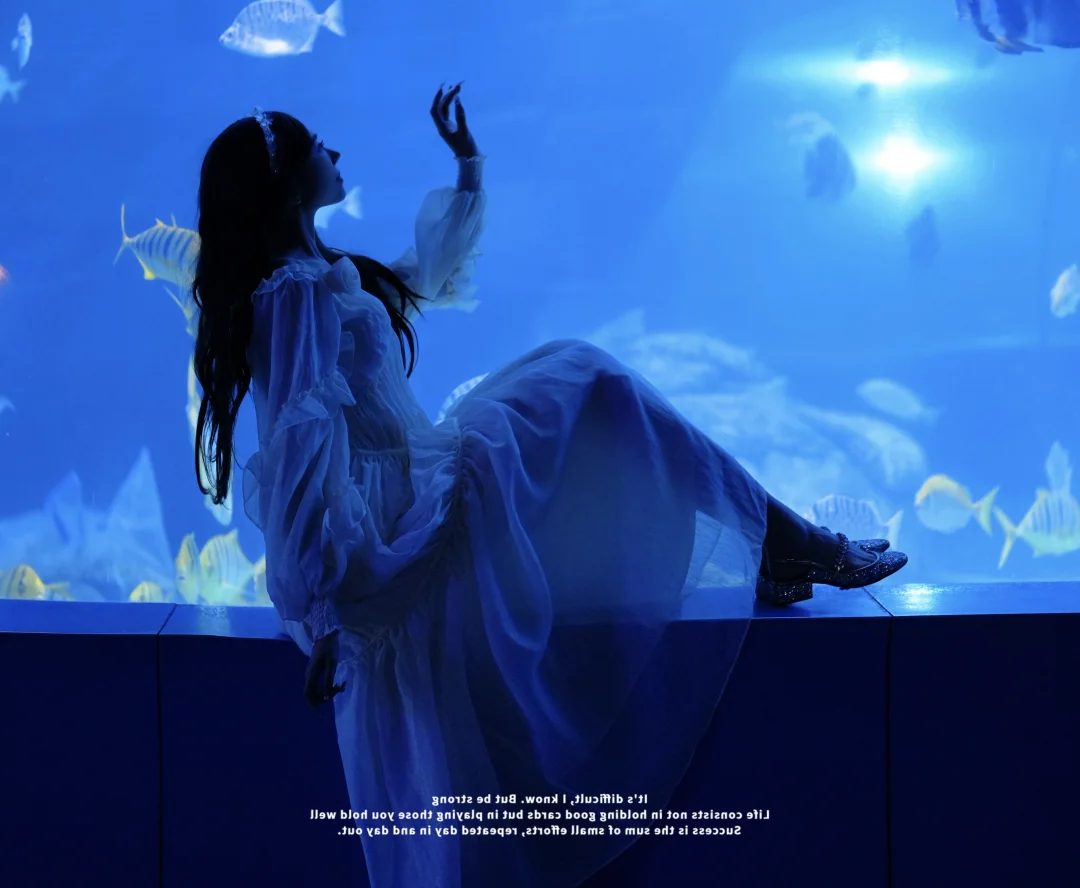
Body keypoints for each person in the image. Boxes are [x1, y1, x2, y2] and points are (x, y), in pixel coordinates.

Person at [191, 85, 906, 888]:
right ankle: (792, 545)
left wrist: (467, 165)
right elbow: (300, 449)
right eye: (318, 146)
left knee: (590, 378)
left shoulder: (322, 275)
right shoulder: (291, 295)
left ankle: (784, 543)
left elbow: (418, 275)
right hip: (396, 525)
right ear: (289, 181)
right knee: (591, 378)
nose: (335, 153)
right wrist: (326, 607)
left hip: (418, 478)